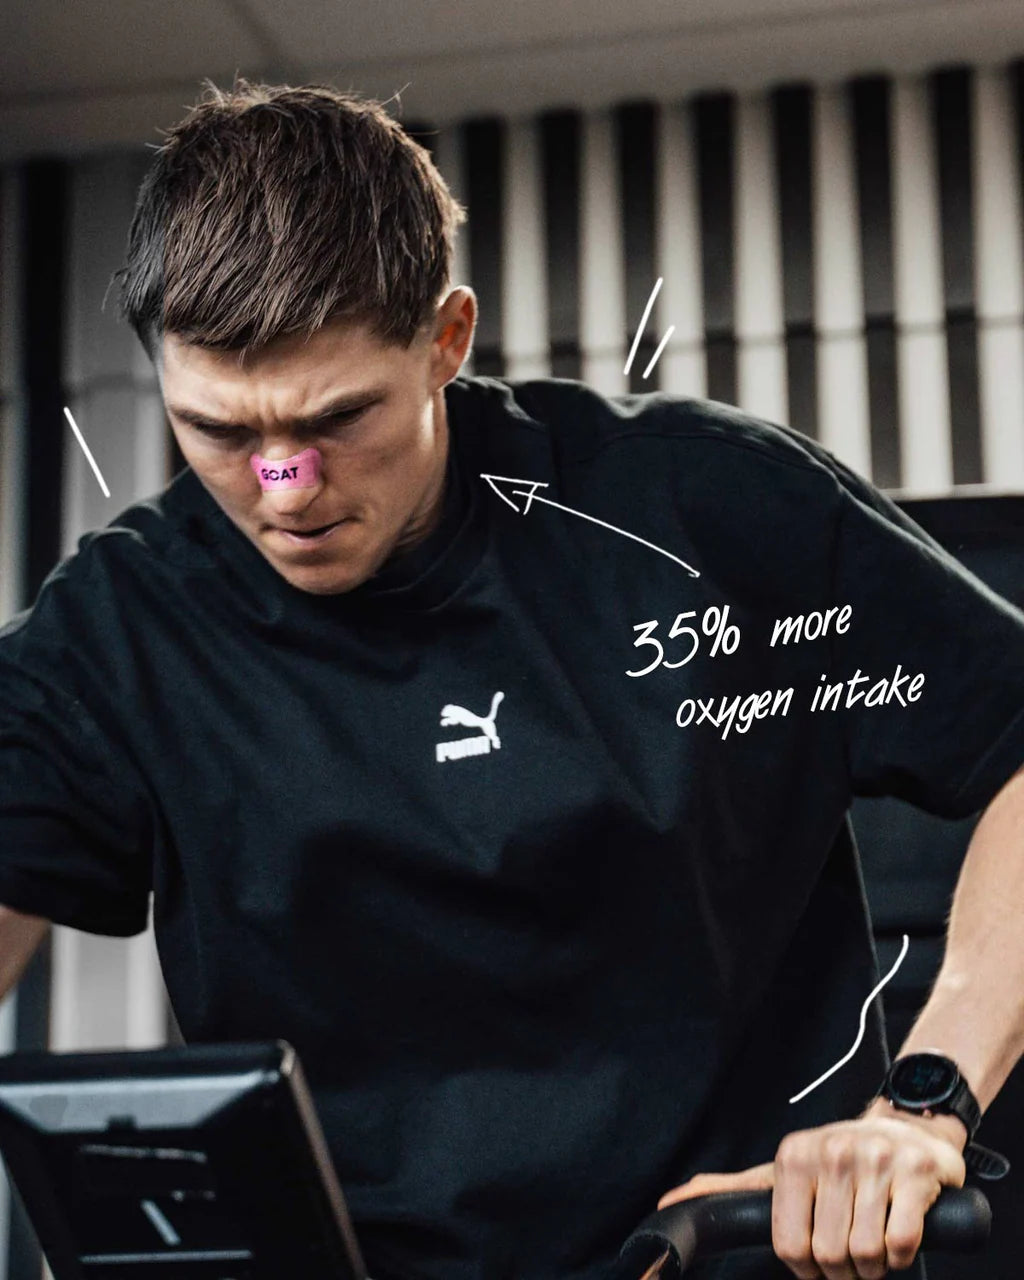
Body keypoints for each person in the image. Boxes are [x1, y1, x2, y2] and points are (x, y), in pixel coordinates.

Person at [1, 79, 1023, 1280]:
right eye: (221, 432)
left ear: (446, 339)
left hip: (725, 1250)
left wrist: (924, 1101)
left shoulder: (707, 509)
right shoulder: (122, 625)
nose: (286, 487)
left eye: (338, 418)